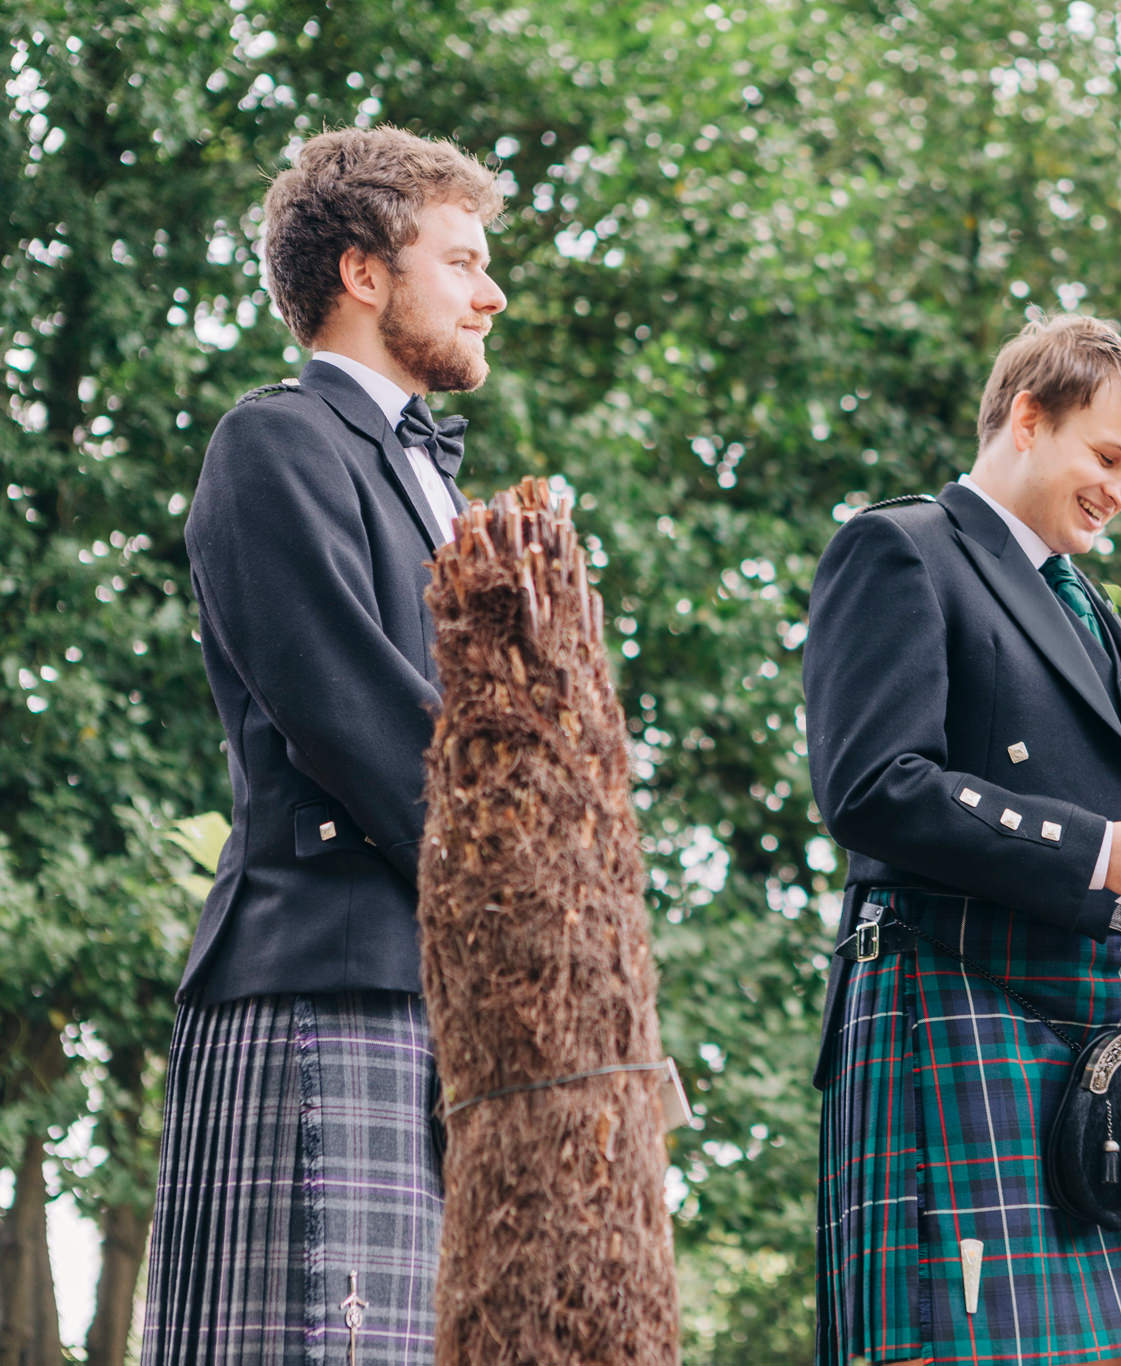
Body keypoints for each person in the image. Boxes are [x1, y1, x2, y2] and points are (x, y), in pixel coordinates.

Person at [804, 313, 1121, 1366]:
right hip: (949, 999)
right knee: (951, 1345)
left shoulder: (1088, 607)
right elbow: (870, 786)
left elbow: (1107, 825)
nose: (1119, 490)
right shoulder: (901, 549)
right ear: (1027, 417)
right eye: (1106, 457)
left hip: (1087, 1036)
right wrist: (1099, 853)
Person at [141, 127, 506, 1365]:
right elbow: (351, 708)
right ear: (364, 274)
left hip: (437, 986)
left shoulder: (444, 484)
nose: (489, 291)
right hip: (322, 976)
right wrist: (534, 879)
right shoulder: (275, 441)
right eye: (460, 260)